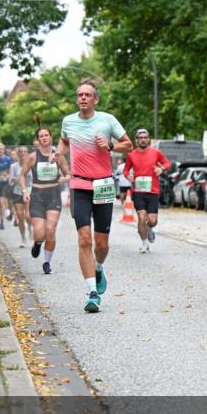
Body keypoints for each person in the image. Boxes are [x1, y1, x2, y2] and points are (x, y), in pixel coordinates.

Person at [57, 80, 131, 313]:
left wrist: (110, 145)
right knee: (84, 239)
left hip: (103, 186)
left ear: (95, 99)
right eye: (80, 94)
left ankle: (99, 268)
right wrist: (57, 154)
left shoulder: (107, 120)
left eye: (88, 95)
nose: (83, 98)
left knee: (101, 243)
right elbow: (64, 141)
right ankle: (92, 293)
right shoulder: (68, 121)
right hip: (79, 185)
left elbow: (127, 144)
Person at [20, 127, 70, 274]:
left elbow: (68, 174)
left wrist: (63, 179)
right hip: (37, 196)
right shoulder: (32, 157)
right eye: (41, 136)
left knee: (51, 229)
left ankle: (47, 263)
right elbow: (22, 175)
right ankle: (37, 243)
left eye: (46, 135)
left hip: (54, 194)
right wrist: (24, 191)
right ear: (38, 140)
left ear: (51, 138)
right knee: (40, 232)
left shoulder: (58, 156)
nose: (44, 138)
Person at [122, 128, 172, 253]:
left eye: (145, 137)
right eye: (141, 138)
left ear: (148, 139)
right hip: (138, 191)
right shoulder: (131, 155)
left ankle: (150, 228)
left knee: (153, 221)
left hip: (153, 191)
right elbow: (126, 170)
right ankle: (144, 244)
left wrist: (162, 169)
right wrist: (128, 176)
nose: (143, 139)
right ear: (136, 140)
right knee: (141, 217)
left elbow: (167, 163)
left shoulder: (156, 152)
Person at [8, 147, 33, 247]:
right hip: (17, 192)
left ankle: (30, 229)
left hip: (29, 191)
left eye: (24, 151)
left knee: (27, 215)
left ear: (27, 153)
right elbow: (10, 181)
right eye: (20, 152)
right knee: (19, 216)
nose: (22, 153)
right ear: (18, 154)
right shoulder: (13, 166)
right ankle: (23, 238)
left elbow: (34, 180)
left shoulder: (31, 165)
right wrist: (16, 179)